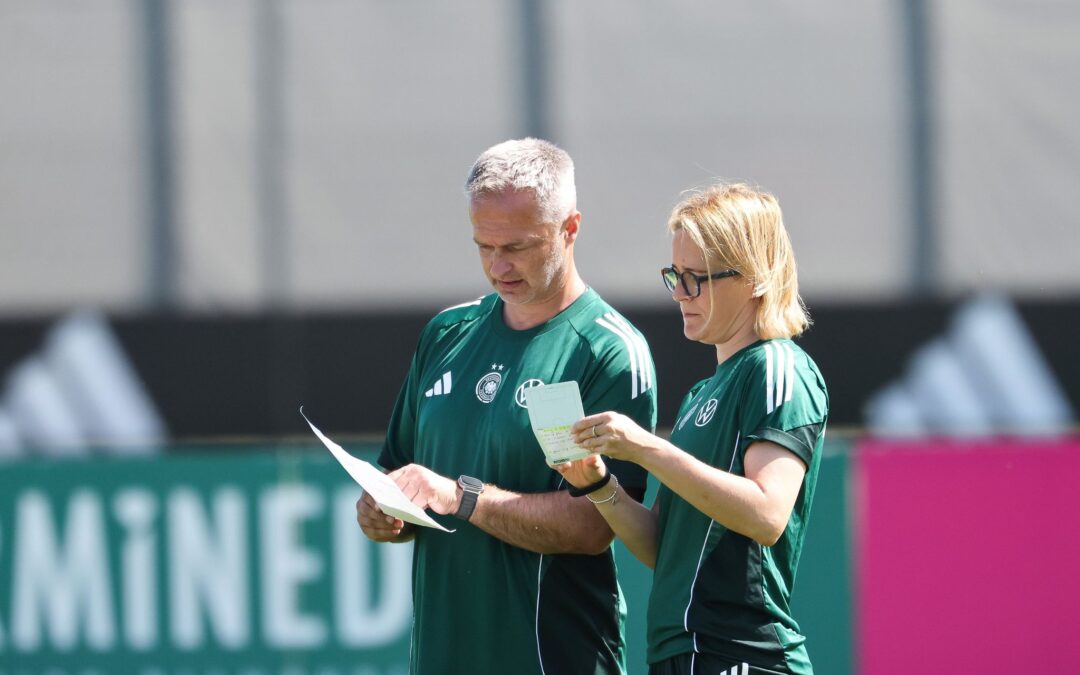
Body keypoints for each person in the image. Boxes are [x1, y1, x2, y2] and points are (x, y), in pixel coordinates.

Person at [356, 138, 658, 675]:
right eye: (484, 246)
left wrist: (461, 497)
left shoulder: (609, 351)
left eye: (517, 246)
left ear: (570, 228)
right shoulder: (446, 333)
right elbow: (398, 472)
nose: (499, 266)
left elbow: (595, 525)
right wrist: (383, 512)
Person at [556, 183, 829, 675]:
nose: (680, 293)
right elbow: (661, 546)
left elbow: (767, 514)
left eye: (697, 278)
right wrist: (599, 485)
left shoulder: (778, 366)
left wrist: (646, 448)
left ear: (754, 278)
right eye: (675, 276)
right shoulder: (701, 394)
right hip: (677, 654)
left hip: (743, 653)